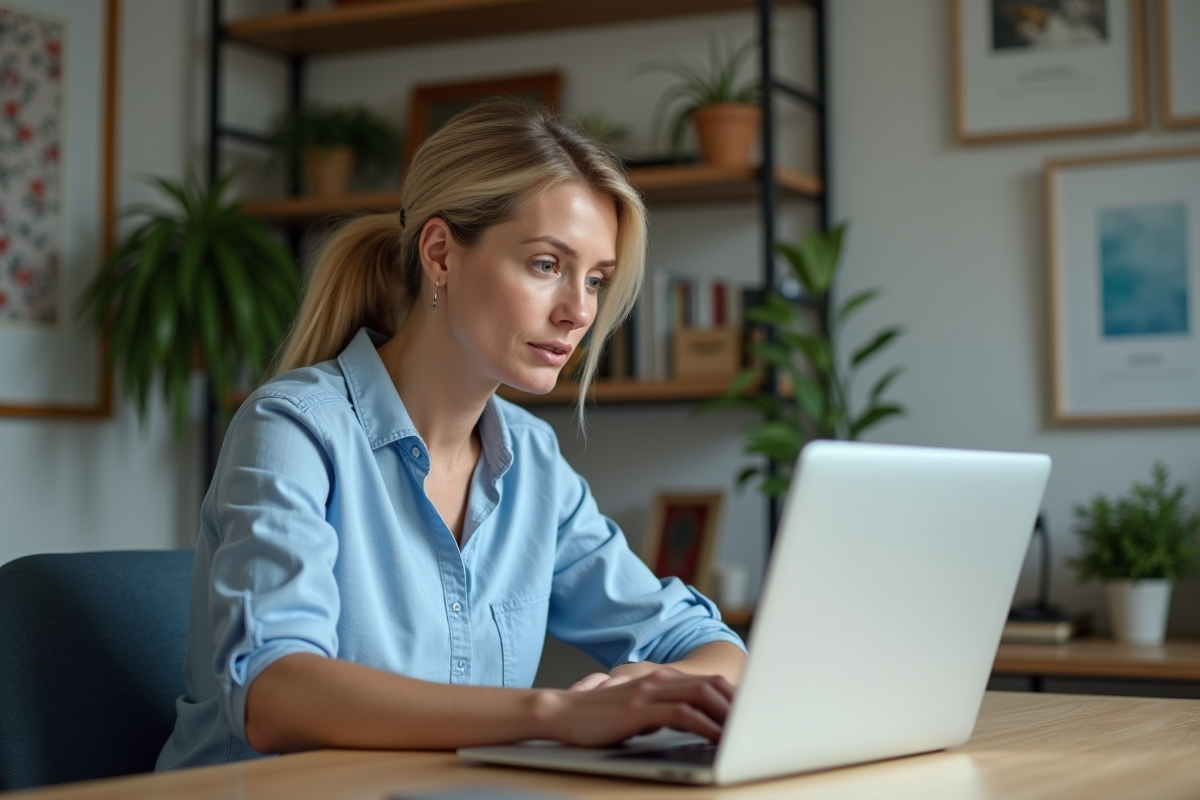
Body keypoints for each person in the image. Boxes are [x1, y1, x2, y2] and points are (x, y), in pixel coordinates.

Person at [157, 101, 746, 771]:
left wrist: (661, 687)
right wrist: (557, 715)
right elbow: (275, 696)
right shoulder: (293, 429)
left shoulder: (533, 462)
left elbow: (709, 645)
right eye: (546, 265)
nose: (579, 311)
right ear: (440, 254)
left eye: (596, 280)